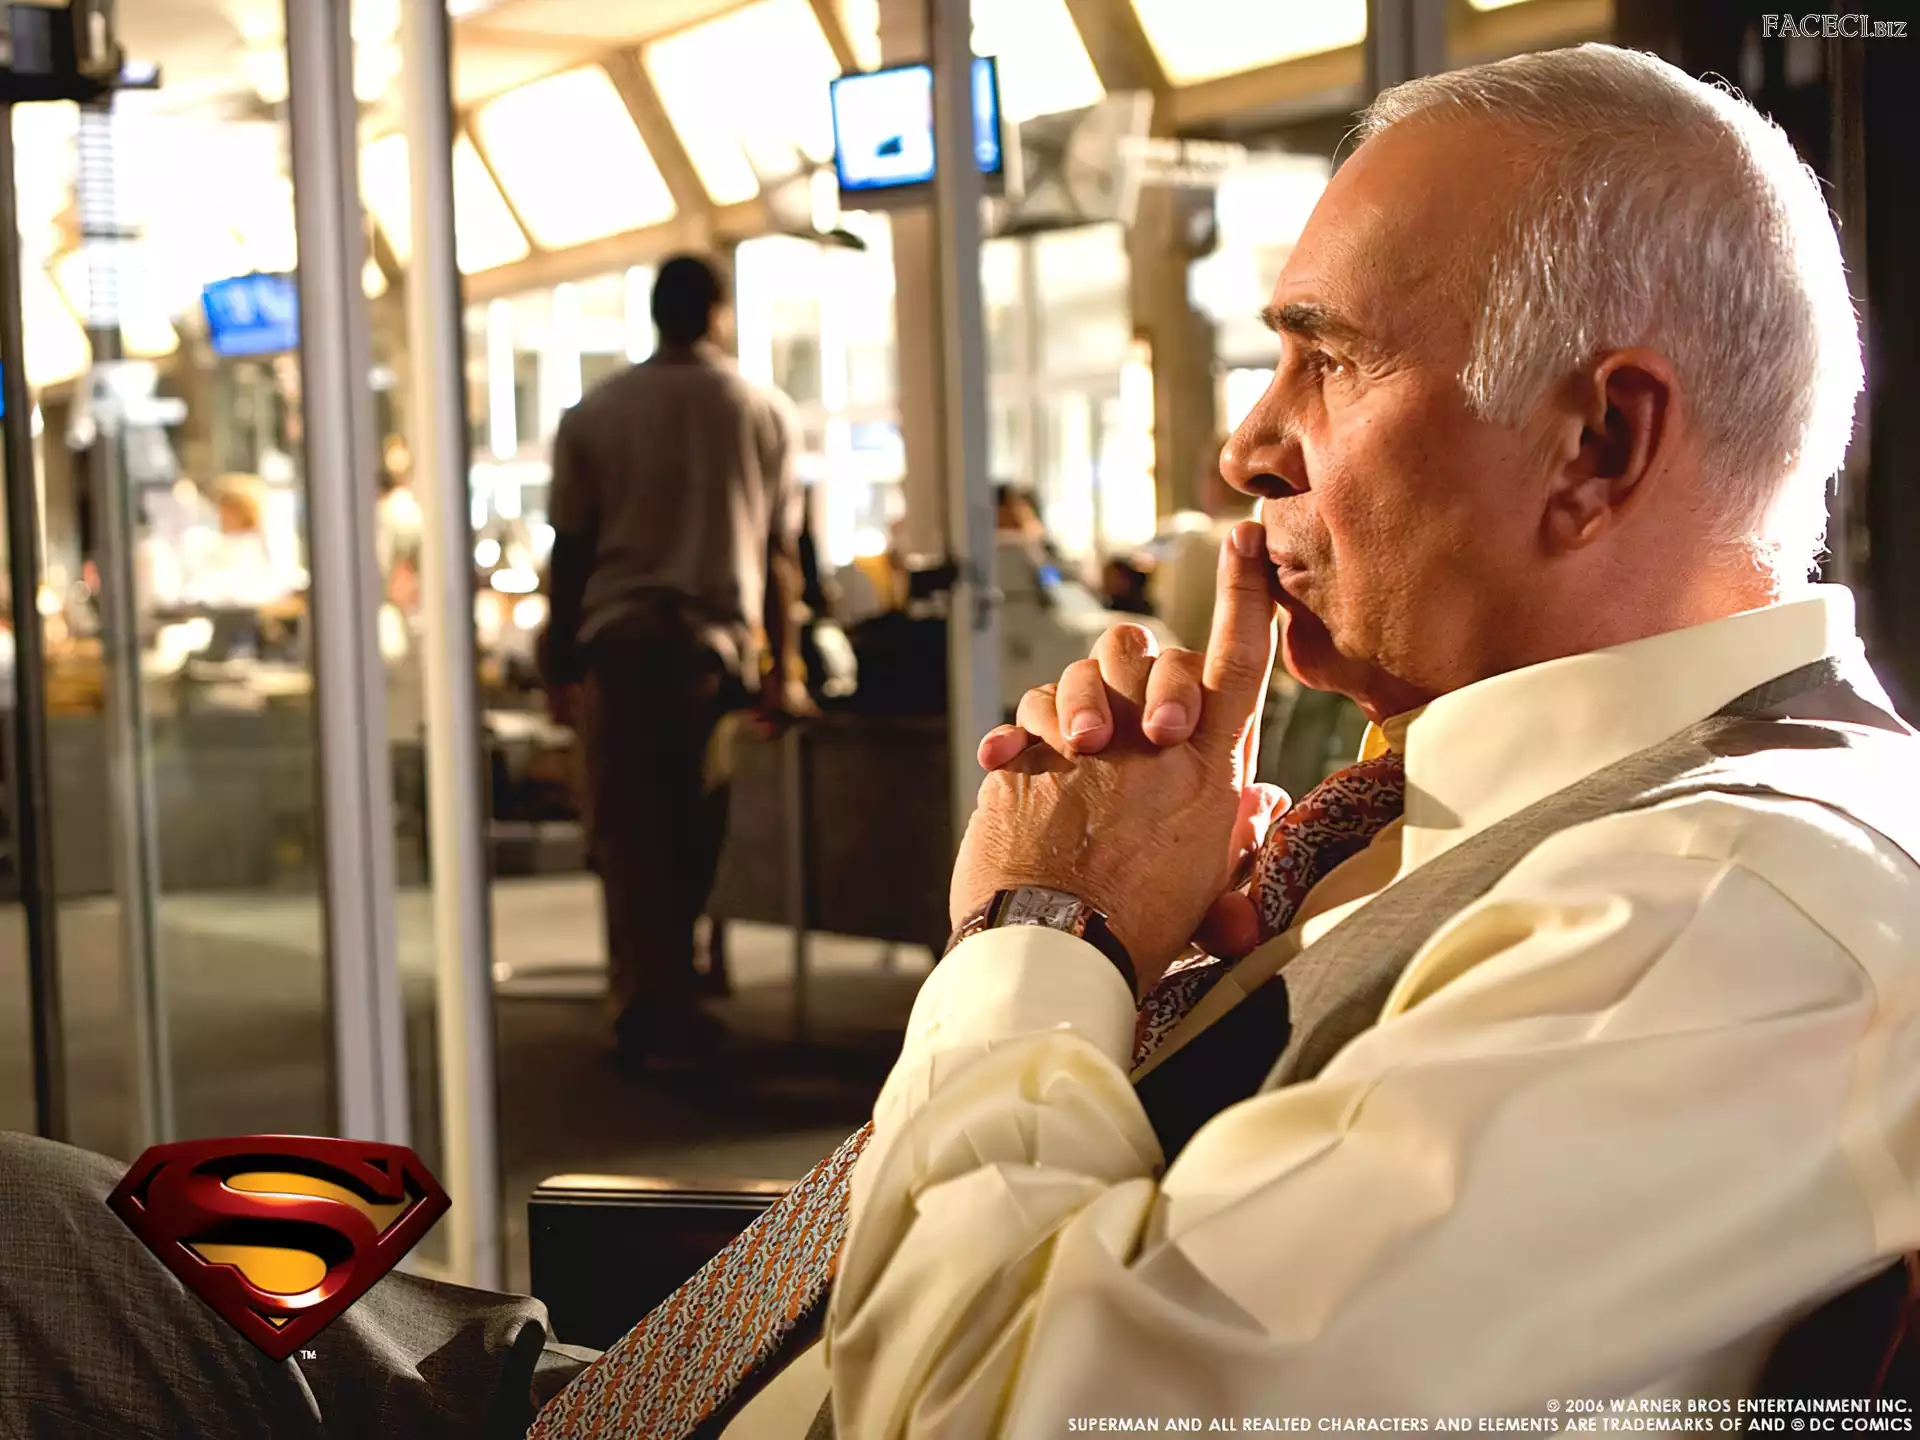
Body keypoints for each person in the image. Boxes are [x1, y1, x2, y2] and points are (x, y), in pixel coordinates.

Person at [3, 42, 1918, 1440]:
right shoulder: (1529, 828)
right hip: (639, 1369)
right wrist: (1196, 975)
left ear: (1601, 443)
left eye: (1327, 360)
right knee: (85, 1207)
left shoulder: (1719, 909)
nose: (1246, 444)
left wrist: (1045, 937)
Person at [539, 253, 810, 1068]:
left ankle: (642, 998)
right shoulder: (762, 410)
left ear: (654, 314)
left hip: (620, 648)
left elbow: (570, 550)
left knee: (628, 830)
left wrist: (558, 661)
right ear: (719, 313)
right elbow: (780, 555)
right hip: (709, 654)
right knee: (695, 828)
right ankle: (672, 997)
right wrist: (785, 669)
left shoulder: (596, 412)